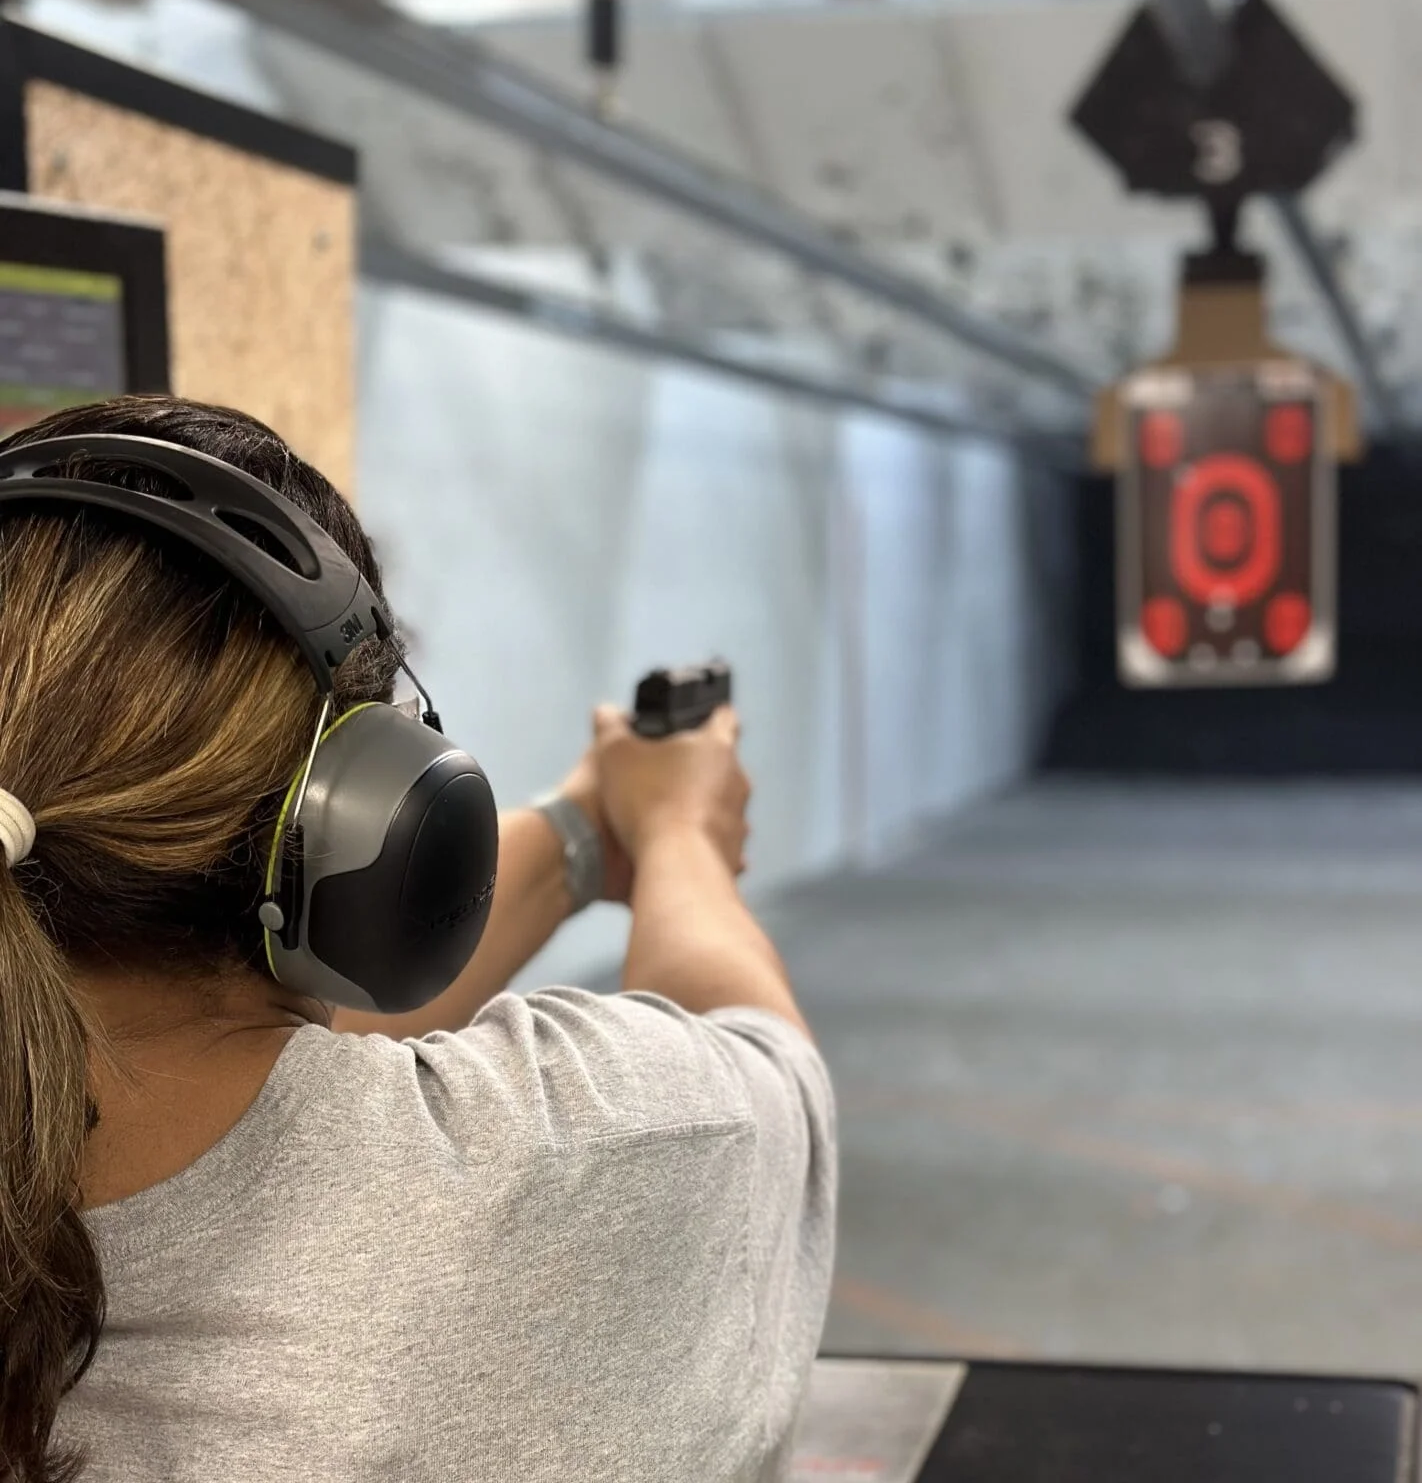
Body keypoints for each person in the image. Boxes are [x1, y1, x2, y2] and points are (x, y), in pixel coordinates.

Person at [0, 397, 836, 1483]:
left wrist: (586, 832)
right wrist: (679, 833)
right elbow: (759, 1053)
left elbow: (205, 1047)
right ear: (381, 830)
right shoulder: (597, 1152)